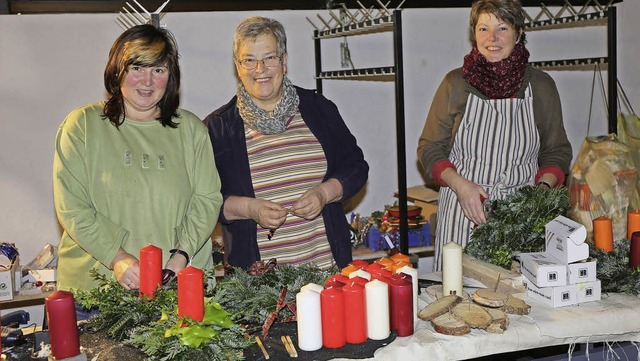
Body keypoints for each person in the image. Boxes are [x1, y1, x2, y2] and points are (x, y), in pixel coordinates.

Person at [53, 24, 223, 291]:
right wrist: (117, 257)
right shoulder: (81, 127)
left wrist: (181, 255)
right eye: (137, 68)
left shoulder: (192, 131)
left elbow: (207, 199)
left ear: (171, 77)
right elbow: (72, 208)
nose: (148, 81)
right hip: (97, 292)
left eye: (158, 70)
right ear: (117, 70)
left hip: (176, 285)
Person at [417, 0, 572, 270]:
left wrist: (539, 195)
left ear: (519, 33)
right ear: (473, 33)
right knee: (458, 300)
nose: (492, 38)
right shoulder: (455, 83)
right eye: (483, 28)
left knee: (519, 301)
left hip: (520, 217)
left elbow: (556, 150)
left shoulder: (541, 86)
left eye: (502, 28)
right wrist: (461, 186)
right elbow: (429, 148)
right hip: (463, 209)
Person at [203, 16, 368, 270]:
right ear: (237, 66)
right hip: (258, 288)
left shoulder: (318, 109)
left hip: (327, 274)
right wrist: (250, 208)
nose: (260, 69)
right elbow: (204, 201)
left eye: (269, 57)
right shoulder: (218, 128)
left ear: (284, 61)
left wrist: (324, 194)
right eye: (249, 60)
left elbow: (356, 168)